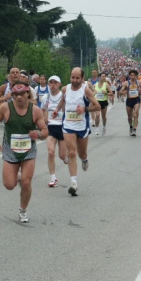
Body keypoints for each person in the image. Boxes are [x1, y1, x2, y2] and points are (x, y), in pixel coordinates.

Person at [0, 81, 48, 223]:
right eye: (16, 94)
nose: (19, 97)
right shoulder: (6, 108)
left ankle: (23, 210)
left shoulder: (35, 110)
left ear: (28, 93)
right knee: (9, 185)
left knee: (26, 182)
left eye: (22, 94)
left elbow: (45, 131)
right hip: (10, 150)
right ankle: (18, 175)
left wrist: (38, 134)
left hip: (28, 151)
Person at [52, 67, 100, 197]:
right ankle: (73, 183)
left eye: (77, 78)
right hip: (68, 125)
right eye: (72, 77)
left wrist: (84, 109)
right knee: (72, 152)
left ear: (82, 78)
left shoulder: (85, 90)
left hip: (82, 126)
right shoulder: (65, 89)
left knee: (81, 153)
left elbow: (97, 106)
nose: (74, 80)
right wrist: (57, 110)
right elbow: (62, 101)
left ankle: (84, 159)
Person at [40, 76, 68, 187]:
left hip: (62, 127)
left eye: (55, 82)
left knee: (62, 155)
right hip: (51, 127)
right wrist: (44, 118)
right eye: (50, 82)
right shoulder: (45, 98)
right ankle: (53, 177)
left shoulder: (64, 96)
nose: (52, 84)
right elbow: (43, 110)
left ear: (59, 84)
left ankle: (66, 158)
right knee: (51, 152)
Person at [120, 70, 141, 137]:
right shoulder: (126, 83)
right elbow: (120, 91)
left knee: (135, 114)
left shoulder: (139, 82)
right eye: (131, 75)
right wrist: (123, 92)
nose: (133, 77)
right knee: (129, 116)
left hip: (136, 99)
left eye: (134, 75)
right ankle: (131, 126)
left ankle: (134, 129)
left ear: (136, 76)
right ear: (129, 76)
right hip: (129, 100)